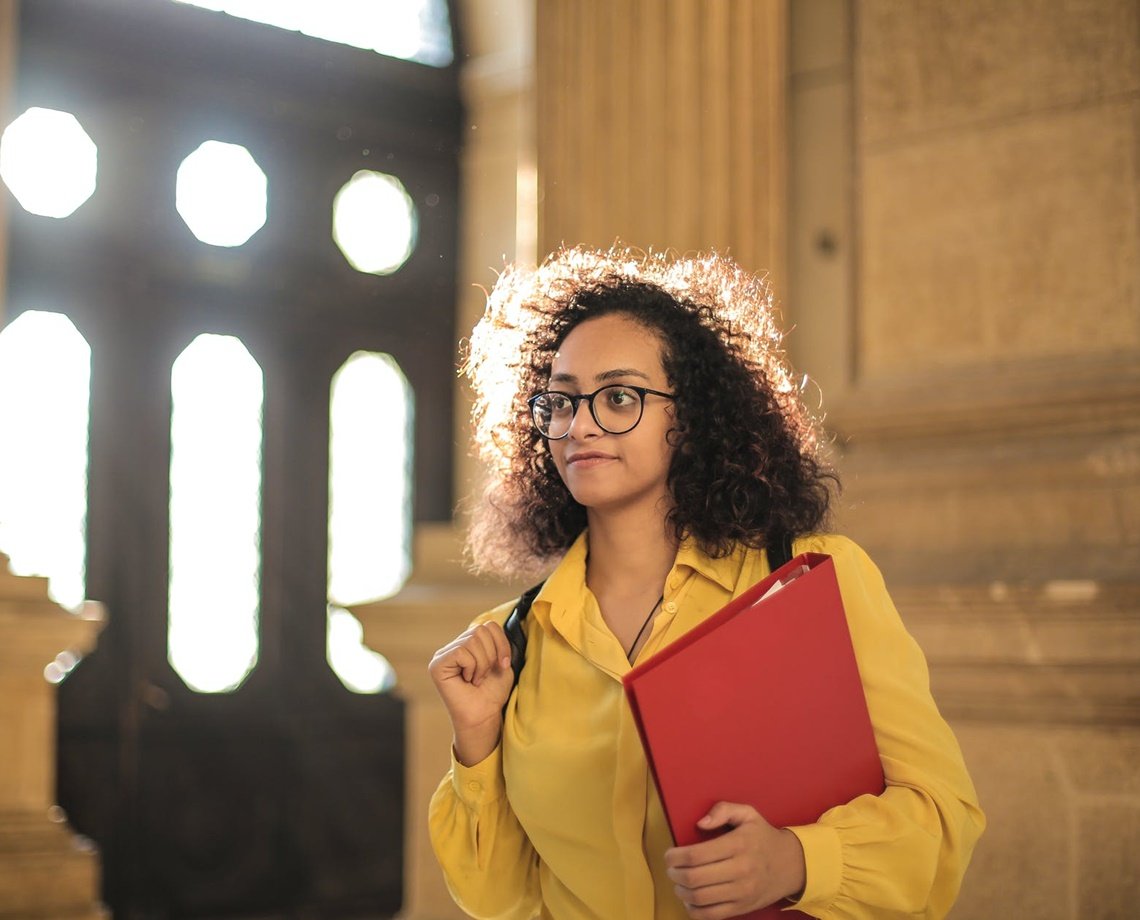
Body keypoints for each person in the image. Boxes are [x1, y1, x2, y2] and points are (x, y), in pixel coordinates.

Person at [427, 245, 984, 920]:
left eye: (621, 397)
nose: (581, 425)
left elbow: (942, 825)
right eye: (561, 400)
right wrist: (478, 744)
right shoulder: (514, 643)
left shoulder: (811, 582)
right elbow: (501, 899)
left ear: (687, 418)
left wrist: (797, 860)